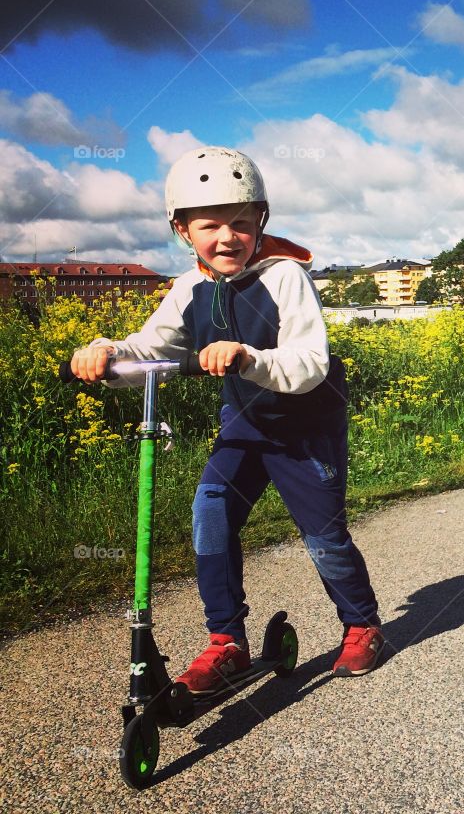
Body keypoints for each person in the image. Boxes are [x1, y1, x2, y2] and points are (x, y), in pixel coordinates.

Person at [70, 147, 384, 691]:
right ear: (182, 230)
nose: (228, 237)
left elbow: (310, 364)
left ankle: (361, 625)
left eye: (242, 223)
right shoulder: (189, 289)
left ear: (261, 222)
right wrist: (105, 356)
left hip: (305, 429)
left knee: (323, 538)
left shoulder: (285, 277)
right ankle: (226, 641)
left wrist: (247, 357)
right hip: (243, 426)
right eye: (211, 224)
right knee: (209, 515)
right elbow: (151, 352)